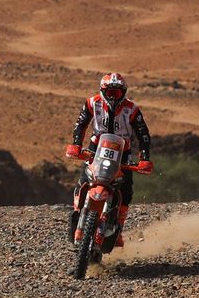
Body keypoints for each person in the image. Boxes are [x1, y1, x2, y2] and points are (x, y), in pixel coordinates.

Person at [64, 71, 153, 249]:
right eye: (110, 92)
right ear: (103, 90)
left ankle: (118, 229)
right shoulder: (92, 103)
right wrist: (76, 144)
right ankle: (77, 211)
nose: (113, 96)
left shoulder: (132, 109)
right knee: (84, 179)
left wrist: (144, 157)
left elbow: (143, 134)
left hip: (123, 152)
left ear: (123, 93)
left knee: (126, 190)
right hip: (96, 148)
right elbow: (80, 124)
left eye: (117, 93)